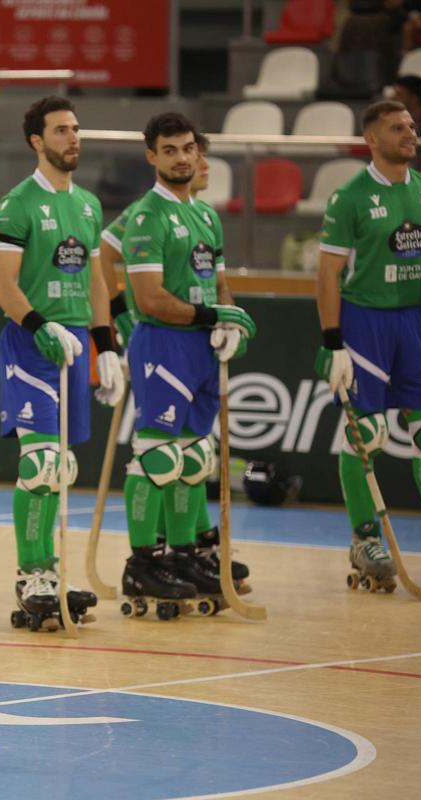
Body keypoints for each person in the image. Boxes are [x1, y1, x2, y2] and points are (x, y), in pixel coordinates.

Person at [97, 132, 252, 593]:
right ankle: (142, 564)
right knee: (157, 456)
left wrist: (228, 322)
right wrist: (119, 315)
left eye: (190, 150)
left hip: (201, 344)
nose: (184, 158)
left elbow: (219, 282)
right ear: (153, 157)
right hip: (164, 342)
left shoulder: (205, 214)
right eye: (171, 150)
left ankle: (183, 555)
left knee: (192, 458)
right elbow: (116, 265)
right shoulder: (146, 214)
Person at [0, 96, 122, 632]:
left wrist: (106, 344)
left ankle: (51, 570)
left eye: (75, 129)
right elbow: (2, 284)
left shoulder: (89, 205)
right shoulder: (18, 204)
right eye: (61, 130)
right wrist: (39, 325)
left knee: (62, 469)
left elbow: (94, 281)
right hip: (31, 344)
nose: (73, 138)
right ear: (37, 142)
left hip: (74, 349)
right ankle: (32, 574)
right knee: (40, 464)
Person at [315, 99, 421, 592]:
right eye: (397, 128)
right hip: (366, 324)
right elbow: (328, 275)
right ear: (372, 140)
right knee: (368, 433)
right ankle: (364, 538)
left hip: (415, 321)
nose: (410, 132)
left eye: (411, 125)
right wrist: (333, 342)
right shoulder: (351, 197)